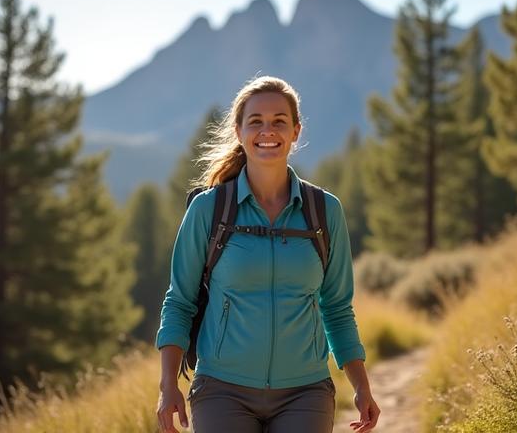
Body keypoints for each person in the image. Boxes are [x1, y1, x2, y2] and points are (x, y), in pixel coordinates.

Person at [155, 76, 380, 433]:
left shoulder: (324, 212)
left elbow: (336, 306)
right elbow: (180, 302)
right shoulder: (208, 210)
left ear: (295, 131)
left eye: (279, 121)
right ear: (239, 131)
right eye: (256, 121)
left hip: (305, 392)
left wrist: (361, 386)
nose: (267, 130)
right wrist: (168, 386)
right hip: (220, 390)